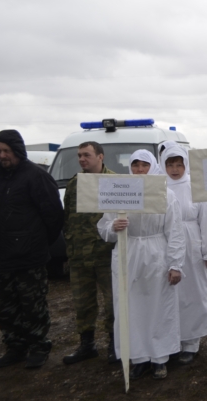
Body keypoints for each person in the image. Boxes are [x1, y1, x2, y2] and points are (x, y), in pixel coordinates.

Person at [97, 150, 185, 380]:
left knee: (158, 306)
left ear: (153, 167)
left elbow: (175, 232)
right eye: (135, 166)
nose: (139, 170)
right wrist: (113, 227)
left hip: (157, 254)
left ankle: (159, 358)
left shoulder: (166, 195)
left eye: (144, 165)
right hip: (129, 253)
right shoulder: (118, 193)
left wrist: (175, 264)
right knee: (131, 307)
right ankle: (137, 357)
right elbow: (104, 227)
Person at [0, 130, 64, 369]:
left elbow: (54, 216)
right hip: (0, 257)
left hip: (29, 258)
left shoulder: (36, 177)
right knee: (4, 308)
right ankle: (15, 346)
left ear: (17, 151)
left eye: (6, 151)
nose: (2, 156)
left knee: (33, 307)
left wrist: (37, 242)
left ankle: (38, 346)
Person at [160, 146, 207, 365]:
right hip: (167, 245)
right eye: (170, 164)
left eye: (179, 164)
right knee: (170, 295)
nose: (174, 169)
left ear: (186, 165)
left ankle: (192, 341)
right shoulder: (158, 187)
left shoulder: (196, 186)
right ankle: (172, 339)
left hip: (191, 245)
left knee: (193, 293)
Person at [62, 141, 118, 365]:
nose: (82, 159)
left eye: (86, 155)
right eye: (79, 156)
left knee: (113, 303)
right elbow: (67, 217)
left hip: (105, 254)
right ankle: (87, 345)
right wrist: (70, 246)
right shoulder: (75, 183)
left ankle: (116, 344)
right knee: (82, 304)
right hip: (79, 255)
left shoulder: (115, 181)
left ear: (100, 157)